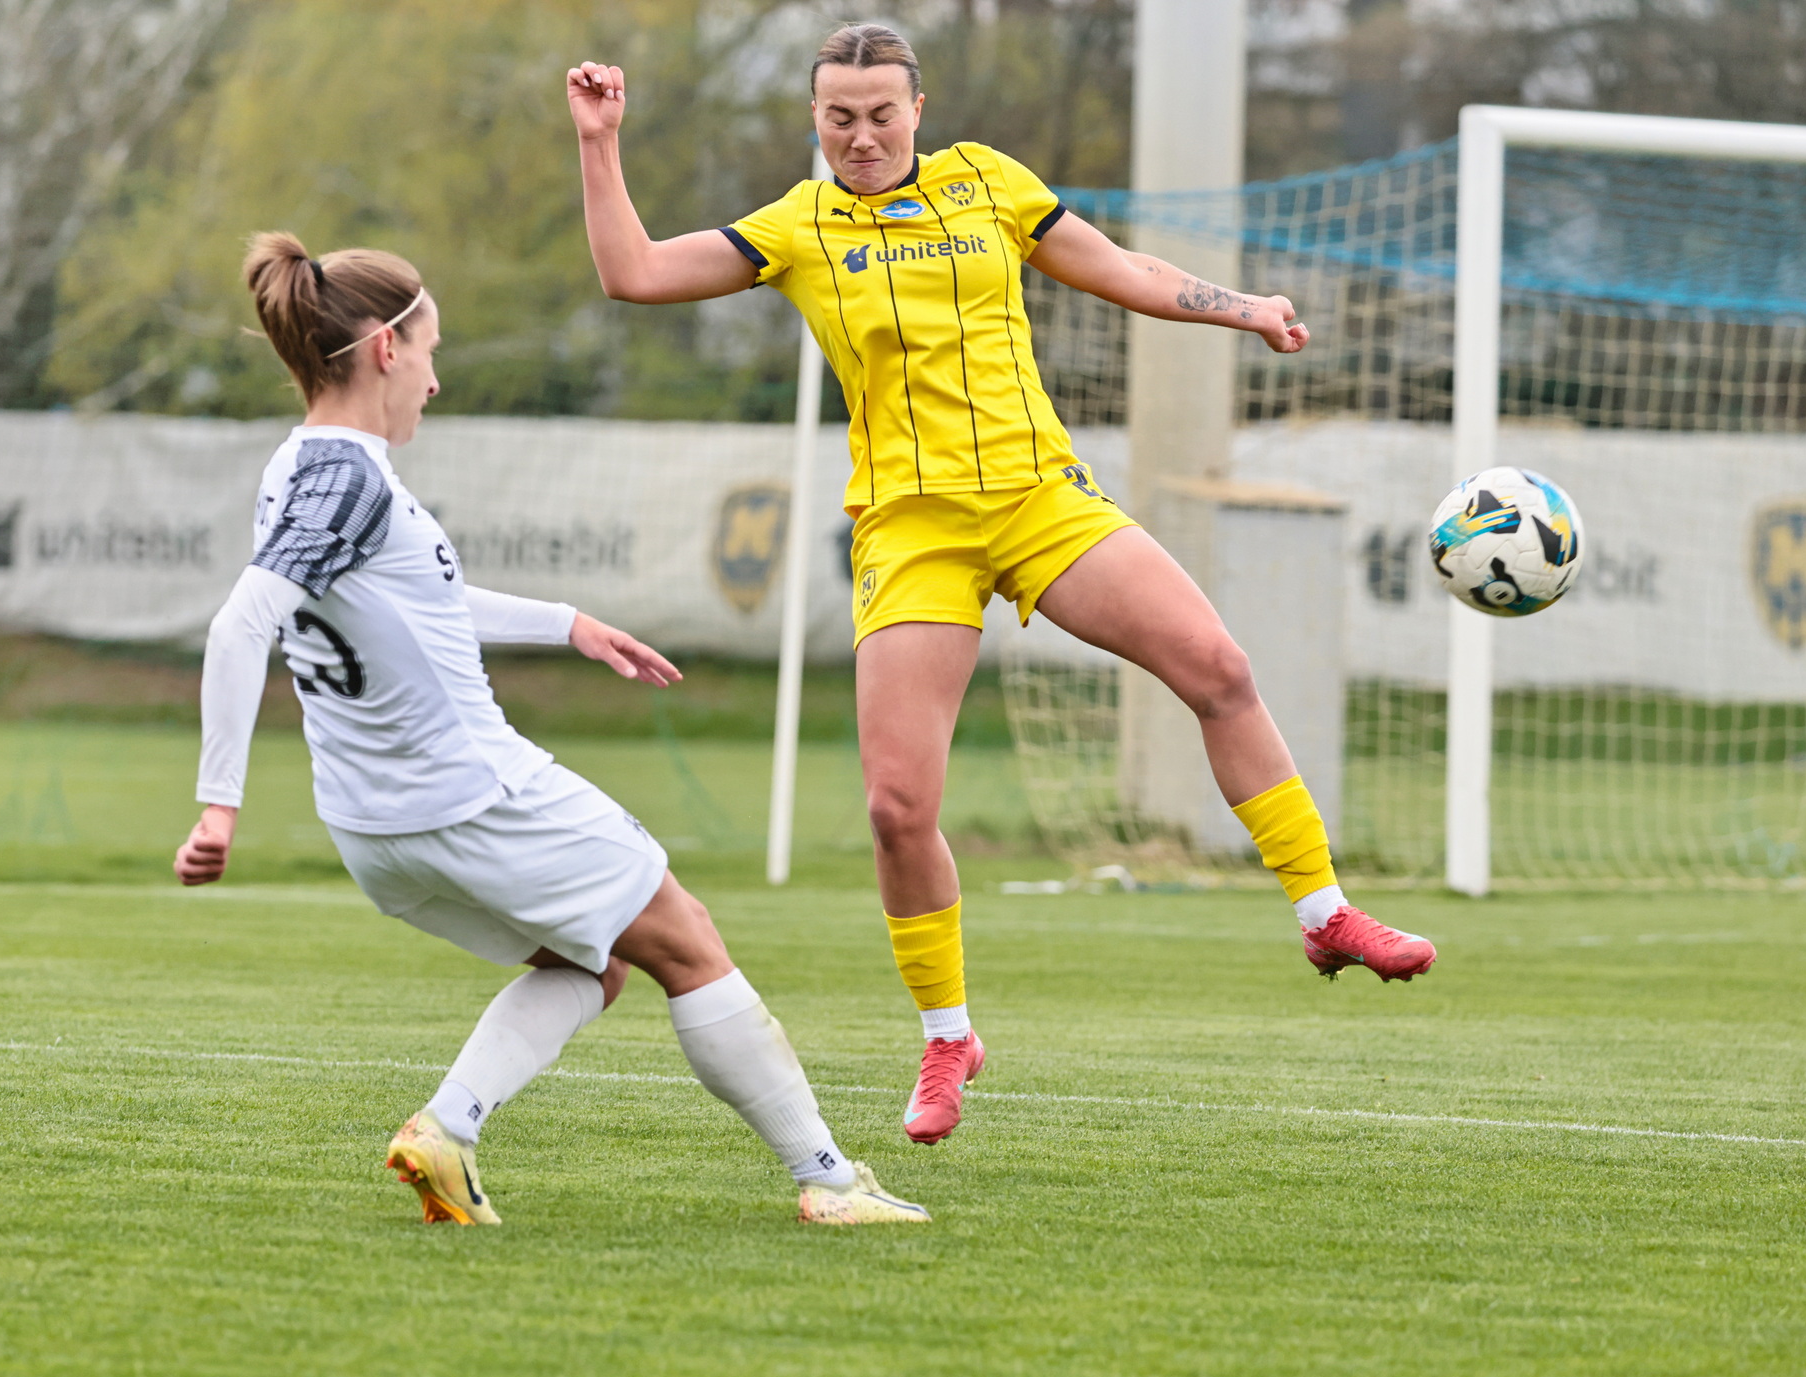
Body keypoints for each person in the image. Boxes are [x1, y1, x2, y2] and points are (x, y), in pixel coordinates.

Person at [565, 23, 1436, 1147]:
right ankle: (948, 1037)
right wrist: (600, 141)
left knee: (1218, 669)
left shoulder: (988, 181)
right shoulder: (797, 226)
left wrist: (1246, 308)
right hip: (912, 528)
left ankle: (1324, 913)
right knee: (897, 808)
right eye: (840, 117)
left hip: (1039, 498)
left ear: (917, 112)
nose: (862, 136)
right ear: (815, 119)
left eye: (881, 114)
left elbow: (1124, 271)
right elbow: (631, 273)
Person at [173, 230, 930, 1228]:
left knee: (594, 962)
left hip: (372, 825)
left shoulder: (299, 469)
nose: (434, 380)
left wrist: (565, 624)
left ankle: (447, 1132)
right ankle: (828, 1180)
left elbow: (412, 602)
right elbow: (240, 623)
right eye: (430, 350)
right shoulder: (348, 475)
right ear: (386, 349)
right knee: (688, 940)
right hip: (473, 795)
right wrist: (218, 804)